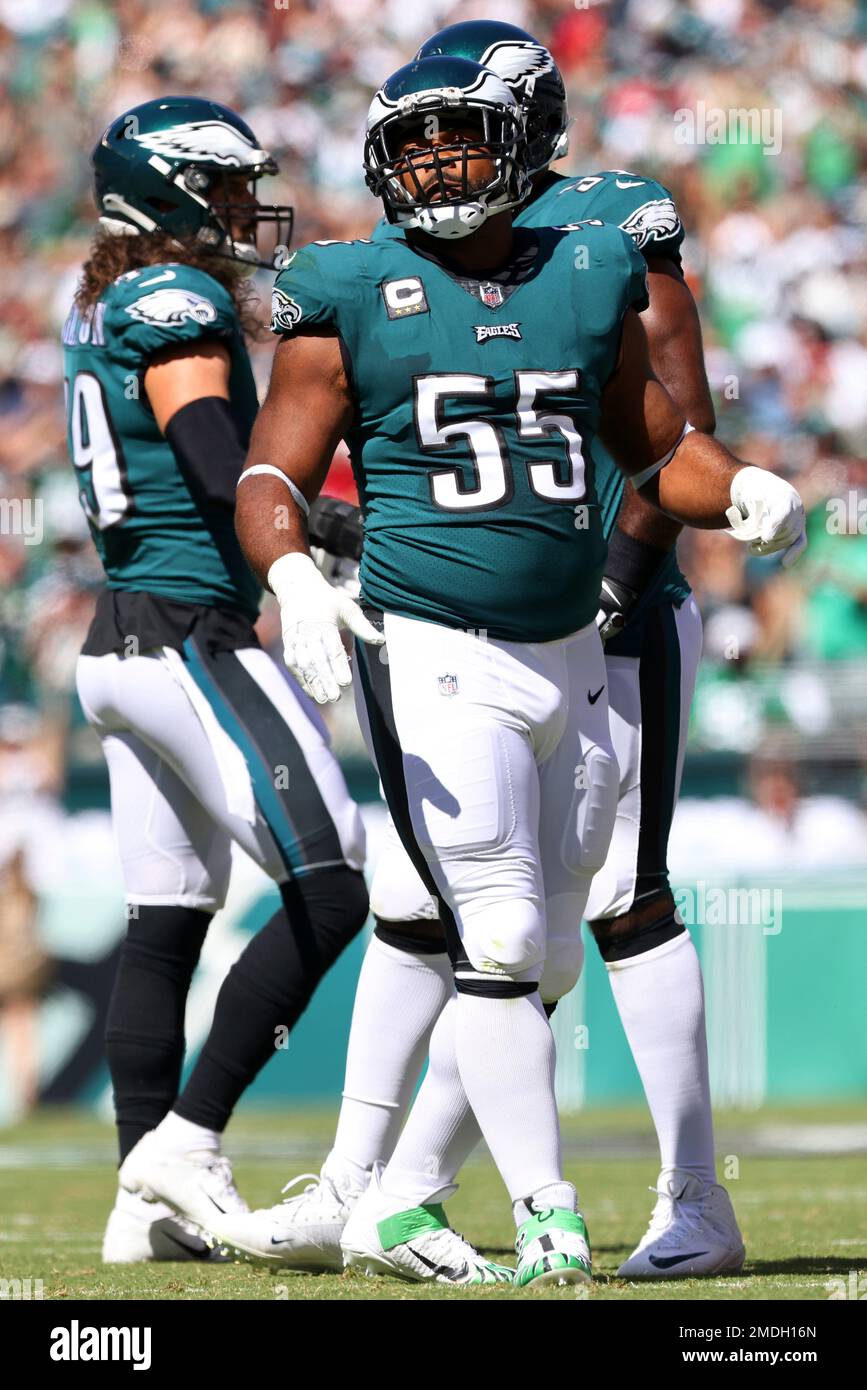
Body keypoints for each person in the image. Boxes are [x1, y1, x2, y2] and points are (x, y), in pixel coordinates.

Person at [216, 56, 805, 1288]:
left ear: (526, 137)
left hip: (584, 634)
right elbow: (270, 474)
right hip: (436, 637)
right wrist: (289, 573)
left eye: (462, 138)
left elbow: (661, 444)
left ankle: (400, 1194)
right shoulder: (347, 284)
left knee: (547, 937)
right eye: (415, 145)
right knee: (467, 919)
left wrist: (733, 488)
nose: (438, 166)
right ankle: (512, 1207)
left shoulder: (595, 260)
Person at [63, 96, 369, 1263]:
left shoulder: (97, 298)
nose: (248, 208)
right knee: (333, 882)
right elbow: (207, 454)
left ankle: (142, 1206)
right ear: (177, 189)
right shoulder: (175, 302)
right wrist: (314, 536)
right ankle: (184, 1143)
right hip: (190, 632)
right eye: (229, 186)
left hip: (120, 641)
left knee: (167, 919)